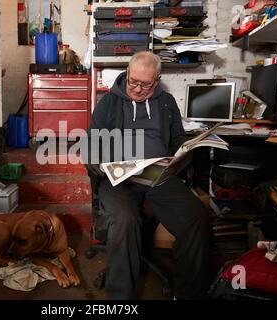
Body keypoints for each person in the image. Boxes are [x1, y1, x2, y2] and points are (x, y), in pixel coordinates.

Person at [85, 51, 210, 300]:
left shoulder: (167, 102)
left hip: (158, 175)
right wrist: (101, 167)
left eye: (146, 84)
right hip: (119, 178)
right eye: (134, 81)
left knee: (195, 215)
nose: (138, 89)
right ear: (127, 74)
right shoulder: (109, 102)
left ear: (157, 80)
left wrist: (183, 152)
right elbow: (92, 146)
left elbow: (176, 138)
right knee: (124, 219)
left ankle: (187, 294)